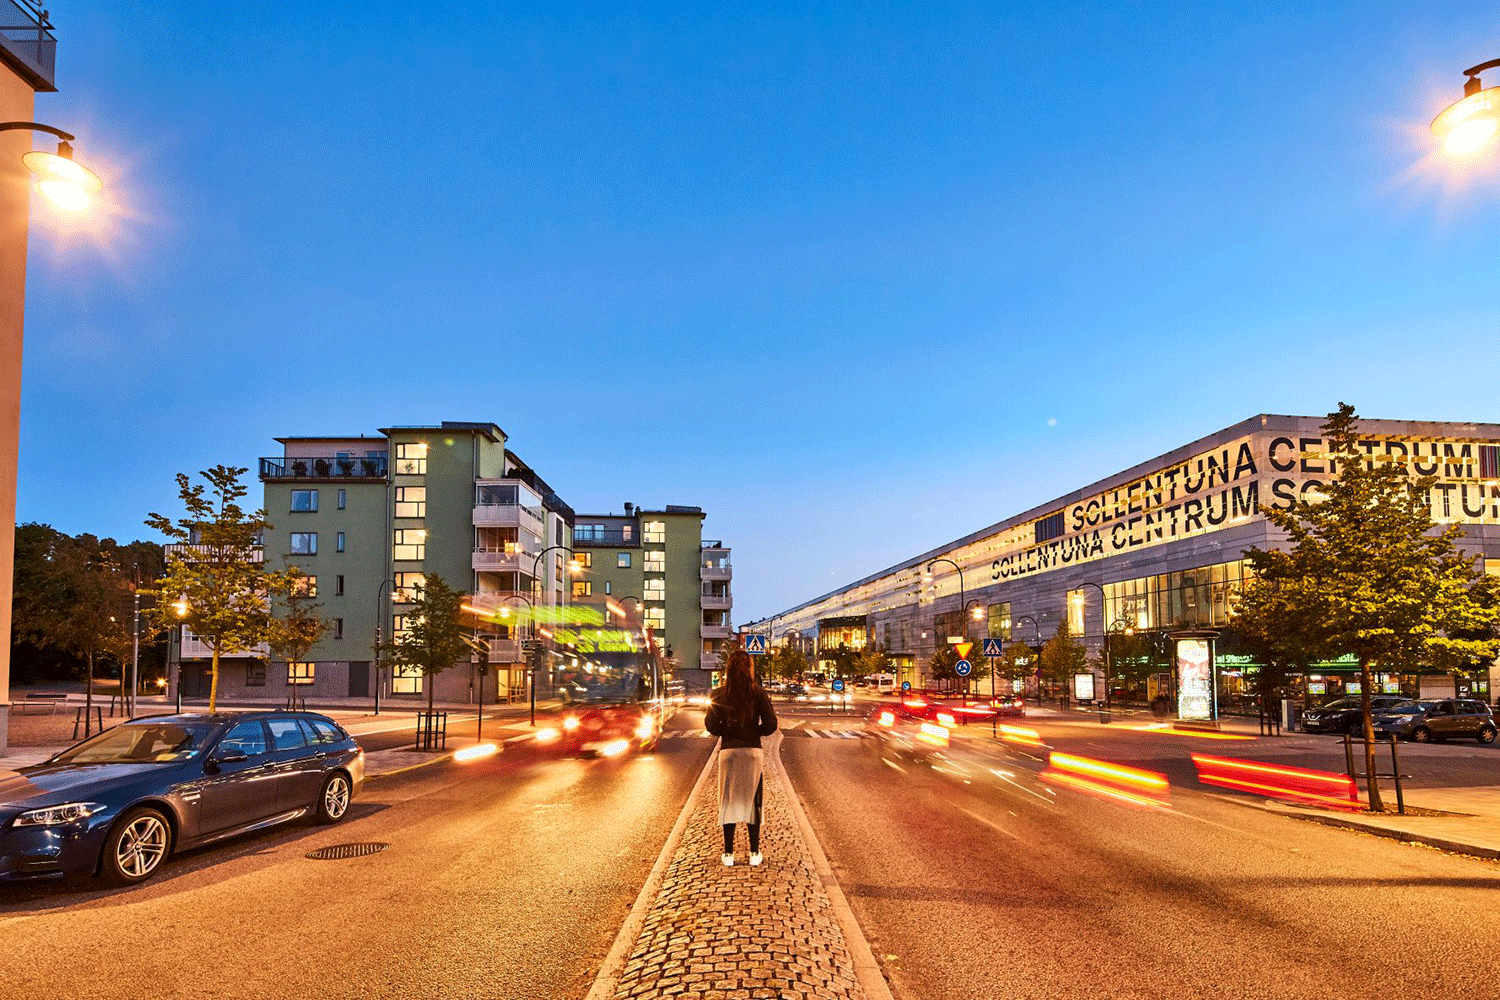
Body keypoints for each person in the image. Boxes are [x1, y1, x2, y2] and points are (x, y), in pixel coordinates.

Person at [704, 649, 778, 867]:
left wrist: (727, 731)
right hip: (752, 752)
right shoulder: (759, 693)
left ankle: (728, 854)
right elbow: (771, 724)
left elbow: (710, 726)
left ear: (728, 669)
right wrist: (755, 732)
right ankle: (755, 852)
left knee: (728, 799)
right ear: (750, 668)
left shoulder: (718, 694)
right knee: (753, 800)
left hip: (728, 752)